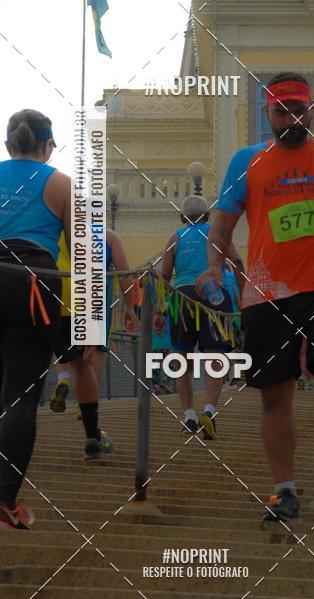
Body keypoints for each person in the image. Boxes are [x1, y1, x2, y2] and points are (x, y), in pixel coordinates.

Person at [196, 72, 314, 526]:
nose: (292, 118)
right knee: (275, 395)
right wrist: (214, 265)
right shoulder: (247, 161)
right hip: (267, 292)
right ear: (268, 114)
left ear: (311, 109)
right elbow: (222, 224)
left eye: (299, 109)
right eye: (282, 111)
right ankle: (284, 492)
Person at [0, 110, 70, 530]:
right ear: (47, 146)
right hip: (33, 281)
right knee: (19, 395)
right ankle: (4, 499)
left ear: (9, 145)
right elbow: (83, 248)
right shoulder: (59, 182)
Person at [154, 195, 245, 438]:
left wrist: (158, 311)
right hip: (215, 295)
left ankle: (189, 416)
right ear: (208, 215)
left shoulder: (175, 237)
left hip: (182, 297)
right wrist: (244, 295)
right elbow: (236, 261)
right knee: (215, 356)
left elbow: (163, 275)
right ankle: (209, 410)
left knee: (182, 358)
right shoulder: (218, 233)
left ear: (182, 217)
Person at [50, 228, 135, 459]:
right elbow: (124, 272)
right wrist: (130, 306)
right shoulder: (109, 237)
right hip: (94, 296)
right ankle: (87, 409)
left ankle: (63, 378)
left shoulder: (54, 229)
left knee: (62, 350)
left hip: (58, 292)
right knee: (90, 355)